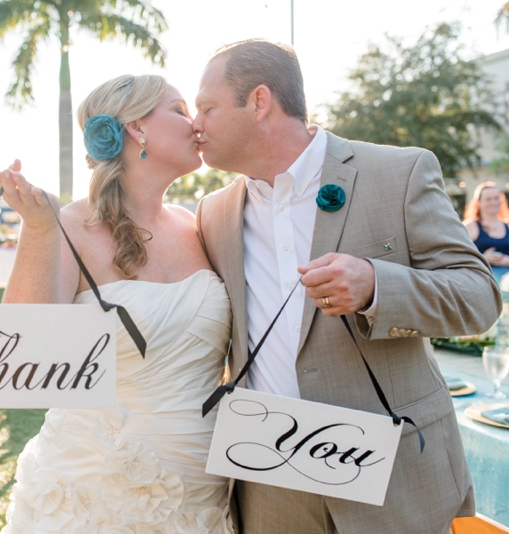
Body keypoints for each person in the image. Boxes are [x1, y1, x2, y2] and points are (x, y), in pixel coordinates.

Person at [193, 39, 501, 533]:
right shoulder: (212, 213)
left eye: (206, 107)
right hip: (270, 485)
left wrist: (378, 285)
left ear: (259, 101)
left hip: (392, 478)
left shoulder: (399, 172)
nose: (196, 124)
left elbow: (478, 297)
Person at [0, 75, 234, 533]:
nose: (197, 123)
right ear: (136, 129)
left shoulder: (196, 224)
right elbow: (19, 348)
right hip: (92, 483)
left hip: (200, 483)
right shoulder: (68, 224)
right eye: (181, 110)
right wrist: (38, 230)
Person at [464, 181, 509, 281]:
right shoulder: (470, 227)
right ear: (478, 203)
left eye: (496, 198)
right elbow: (458, 256)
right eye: (488, 199)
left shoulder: (508, 226)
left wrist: (506, 261)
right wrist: (484, 258)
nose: (493, 202)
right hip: (482, 279)